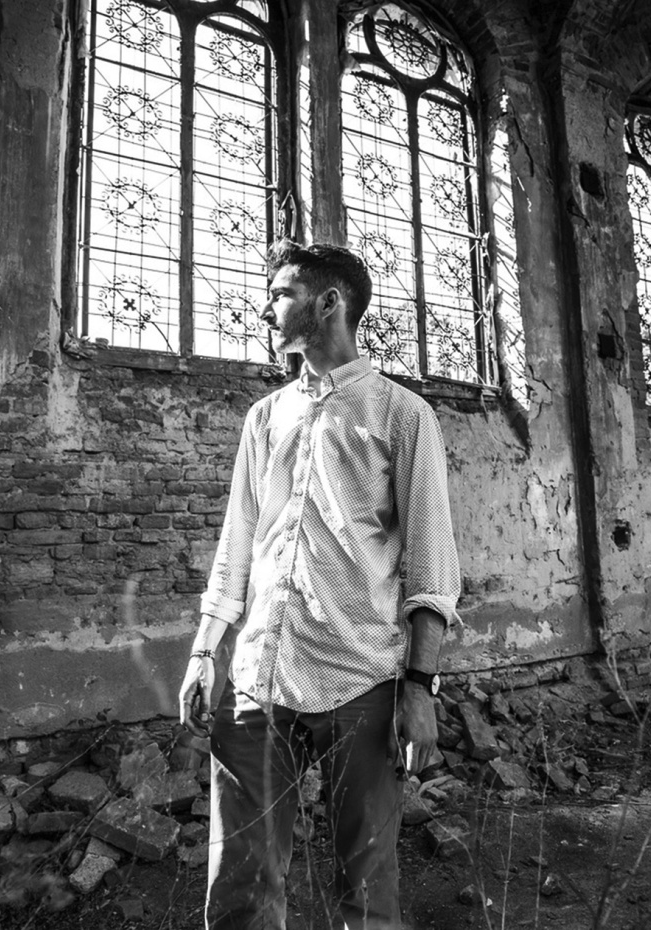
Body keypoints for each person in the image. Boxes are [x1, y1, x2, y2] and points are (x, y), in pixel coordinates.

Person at [176, 239, 462, 930]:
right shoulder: (264, 418)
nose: (268, 305)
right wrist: (204, 646)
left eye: (282, 293)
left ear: (328, 303)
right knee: (241, 886)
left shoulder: (401, 414)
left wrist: (420, 689)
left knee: (365, 890)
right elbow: (237, 539)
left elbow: (431, 565)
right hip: (258, 684)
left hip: (359, 683)